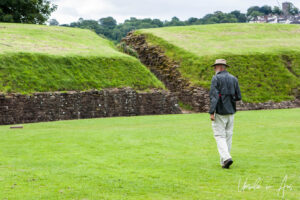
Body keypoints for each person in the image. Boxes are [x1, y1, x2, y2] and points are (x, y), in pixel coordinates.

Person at [209, 59, 242, 169]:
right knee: (228, 136)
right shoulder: (233, 79)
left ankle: (226, 158)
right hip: (231, 111)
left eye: (215, 67)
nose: (214, 69)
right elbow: (238, 97)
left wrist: (211, 112)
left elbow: (214, 96)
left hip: (220, 111)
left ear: (218, 67)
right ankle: (224, 161)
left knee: (219, 136)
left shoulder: (216, 78)